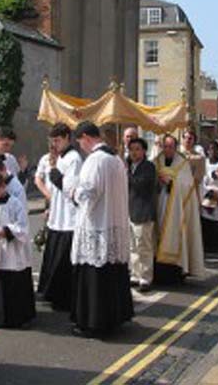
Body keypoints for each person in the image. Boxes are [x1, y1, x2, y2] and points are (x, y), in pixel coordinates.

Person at [70, 121, 133, 337]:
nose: (81, 148)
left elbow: (88, 194)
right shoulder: (116, 159)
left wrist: (72, 193)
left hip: (97, 226)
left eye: (80, 143)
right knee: (112, 274)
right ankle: (115, 319)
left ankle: (94, 322)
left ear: (86, 137)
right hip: (114, 223)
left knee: (95, 275)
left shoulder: (95, 160)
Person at [0, 172, 35, 328]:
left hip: (11, 251)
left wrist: (8, 231)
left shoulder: (15, 204)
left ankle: (14, 319)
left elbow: (23, 226)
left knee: (11, 285)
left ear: (3, 187)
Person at [38, 123, 82, 311]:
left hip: (68, 219)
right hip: (57, 215)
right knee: (52, 256)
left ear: (67, 138)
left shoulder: (74, 158)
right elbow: (48, 186)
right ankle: (50, 293)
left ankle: (64, 298)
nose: (54, 144)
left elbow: (68, 188)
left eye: (57, 140)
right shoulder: (57, 158)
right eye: (52, 141)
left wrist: (55, 169)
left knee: (63, 260)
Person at [154, 135, 205, 284]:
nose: (167, 150)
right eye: (165, 146)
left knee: (175, 236)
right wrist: (158, 180)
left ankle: (175, 272)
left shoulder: (182, 163)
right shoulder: (156, 161)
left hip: (177, 209)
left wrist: (171, 183)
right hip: (159, 204)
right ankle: (159, 272)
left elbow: (188, 185)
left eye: (170, 146)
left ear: (175, 147)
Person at [126, 137, 157, 292]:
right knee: (132, 247)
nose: (134, 152)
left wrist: (127, 173)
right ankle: (135, 274)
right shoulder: (130, 166)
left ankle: (146, 277)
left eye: (137, 149)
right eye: (131, 149)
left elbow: (140, 185)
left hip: (143, 212)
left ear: (144, 151)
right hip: (130, 211)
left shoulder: (148, 167)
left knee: (143, 246)